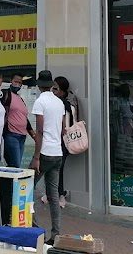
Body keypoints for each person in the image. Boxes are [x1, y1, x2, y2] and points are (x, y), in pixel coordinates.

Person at [30, 70, 65, 245]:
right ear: (51, 85)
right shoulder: (59, 102)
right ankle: (55, 233)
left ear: (38, 85)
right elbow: (63, 129)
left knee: (27, 188)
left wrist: (36, 157)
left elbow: (40, 131)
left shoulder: (40, 102)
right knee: (54, 196)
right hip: (58, 153)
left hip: (44, 153)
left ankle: (35, 229)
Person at [53, 76, 80, 208]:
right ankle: (54, 193)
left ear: (62, 91)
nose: (53, 91)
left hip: (62, 140)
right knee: (56, 167)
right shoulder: (70, 103)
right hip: (62, 139)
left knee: (58, 168)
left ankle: (60, 194)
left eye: (55, 88)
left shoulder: (62, 104)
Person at [0, 73, 33, 169]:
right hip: (11, 135)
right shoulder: (5, 94)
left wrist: (32, 134)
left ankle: (6, 179)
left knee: (15, 166)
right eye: (16, 82)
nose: (17, 84)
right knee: (15, 165)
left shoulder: (20, 98)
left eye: (20, 83)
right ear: (11, 81)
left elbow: (24, 117)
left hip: (22, 136)